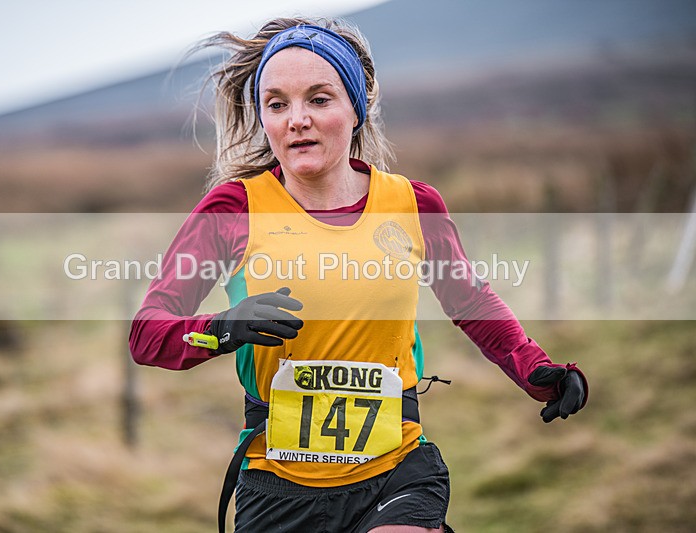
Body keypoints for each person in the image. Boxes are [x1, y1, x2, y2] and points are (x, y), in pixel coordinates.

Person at [129, 17, 587, 533]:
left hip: (396, 472)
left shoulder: (413, 205)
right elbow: (147, 334)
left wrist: (536, 370)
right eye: (277, 104)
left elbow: (472, 303)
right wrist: (224, 328)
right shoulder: (234, 209)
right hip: (277, 487)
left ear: (357, 107)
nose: (297, 120)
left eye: (319, 99)